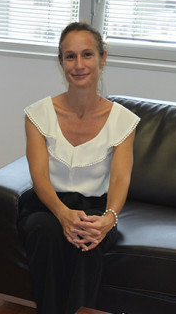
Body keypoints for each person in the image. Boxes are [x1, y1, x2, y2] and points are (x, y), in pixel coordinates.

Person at [18, 22, 140, 313]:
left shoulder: (123, 120)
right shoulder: (38, 114)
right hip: (47, 205)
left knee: (88, 240)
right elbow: (39, 177)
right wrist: (62, 214)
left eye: (87, 54)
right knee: (45, 232)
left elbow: (121, 178)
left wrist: (109, 218)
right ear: (61, 63)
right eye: (69, 56)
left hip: (97, 207)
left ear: (103, 58)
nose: (79, 64)